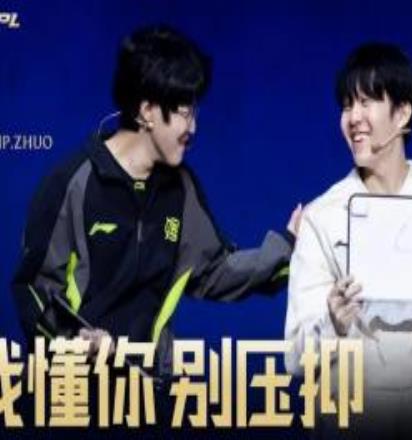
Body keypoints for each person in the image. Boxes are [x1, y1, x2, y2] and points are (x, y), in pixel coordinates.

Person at [12, 25, 301, 381]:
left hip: (148, 391)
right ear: (147, 110)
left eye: (194, 112)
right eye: (183, 111)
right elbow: (34, 288)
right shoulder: (72, 181)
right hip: (75, 392)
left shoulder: (181, 189)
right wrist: (76, 342)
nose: (193, 128)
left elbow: (214, 271)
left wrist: (289, 247)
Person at [284, 43, 412, 437]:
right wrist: (332, 323)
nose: (354, 118)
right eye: (347, 105)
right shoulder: (322, 218)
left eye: (367, 102)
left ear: (402, 113)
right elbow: (295, 359)